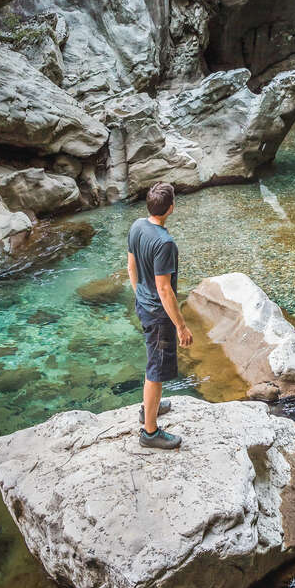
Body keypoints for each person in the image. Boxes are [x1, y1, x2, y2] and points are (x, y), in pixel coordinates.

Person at [127, 181, 193, 449]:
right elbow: (165, 290)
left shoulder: (136, 227)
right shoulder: (165, 243)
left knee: (154, 364)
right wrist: (181, 326)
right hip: (158, 314)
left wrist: (141, 296)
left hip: (143, 305)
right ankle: (150, 432)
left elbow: (131, 267)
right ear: (171, 208)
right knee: (156, 370)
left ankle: (149, 408)